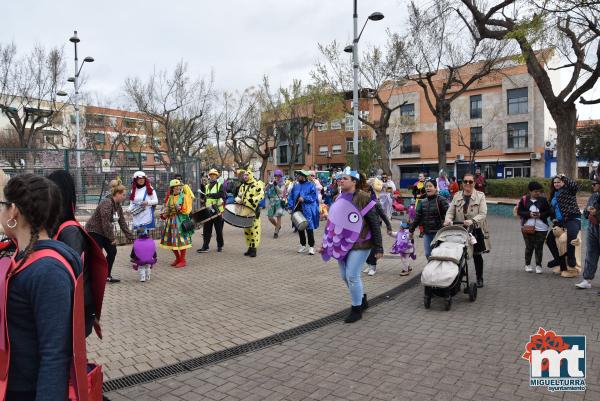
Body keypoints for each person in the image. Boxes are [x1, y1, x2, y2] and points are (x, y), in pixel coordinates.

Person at [1, 173, 82, 401]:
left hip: (27, 391)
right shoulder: (24, 256)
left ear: (14, 211)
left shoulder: (47, 270)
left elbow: (55, 354)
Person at [320, 167, 383, 323]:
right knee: (344, 276)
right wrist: (326, 244)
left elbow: (374, 223)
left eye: (345, 178)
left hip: (361, 243)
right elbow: (332, 224)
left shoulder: (363, 197)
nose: (341, 180)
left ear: (354, 182)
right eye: (340, 178)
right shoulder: (339, 198)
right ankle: (362, 299)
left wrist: (379, 246)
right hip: (342, 244)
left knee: (352, 276)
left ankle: (357, 309)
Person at [48, 170, 107, 338]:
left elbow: (73, 277)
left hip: (76, 308)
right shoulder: (61, 228)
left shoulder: (69, 231)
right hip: (76, 307)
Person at [444, 172, 490, 287]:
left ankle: (480, 278)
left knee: (476, 255)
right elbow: (450, 212)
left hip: (475, 229)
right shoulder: (457, 196)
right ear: (462, 183)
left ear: (474, 183)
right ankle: (460, 275)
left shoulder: (480, 196)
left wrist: (472, 221)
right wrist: (448, 220)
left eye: (470, 181)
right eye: (465, 181)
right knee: (458, 255)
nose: (468, 183)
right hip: (460, 230)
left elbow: (483, 213)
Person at [87, 178, 133, 283]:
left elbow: (122, 222)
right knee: (97, 254)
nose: (125, 197)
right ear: (117, 194)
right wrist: (112, 238)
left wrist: (131, 237)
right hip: (94, 231)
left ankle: (106, 275)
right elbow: (105, 222)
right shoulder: (106, 203)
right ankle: (93, 277)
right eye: (123, 194)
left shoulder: (118, 206)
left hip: (105, 232)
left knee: (112, 251)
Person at [545, 174, 581, 278]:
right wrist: (553, 219)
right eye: (555, 182)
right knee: (549, 240)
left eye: (558, 182)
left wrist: (564, 178)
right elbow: (552, 211)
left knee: (571, 237)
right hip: (560, 222)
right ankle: (558, 261)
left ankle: (571, 260)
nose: (556, 184)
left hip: (572, 219)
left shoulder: (569, 191)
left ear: (563, 183)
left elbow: (575, 186)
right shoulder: (553, 195)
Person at [517, 181, 551, 274]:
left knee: (539, 247)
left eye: (539, 191)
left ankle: (538, 265)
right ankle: (527, 264)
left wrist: (540, 215)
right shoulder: (524, 200)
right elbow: (519, 211)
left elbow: (549, 212)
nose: (538, 193)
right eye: (535, 191)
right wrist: (529, 214)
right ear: (530, 191)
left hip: (542, 227)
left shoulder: (543, 200)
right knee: (529, 247)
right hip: (527, 227)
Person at [409, 179, 449, 257]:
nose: (428, 188)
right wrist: (411, 230)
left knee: (437, 254)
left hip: (438, 233)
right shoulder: (423, 202)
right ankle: (431, 268)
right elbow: (417, 217)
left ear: (435, 188)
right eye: (426, 186)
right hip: (427, 233)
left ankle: (437, 269)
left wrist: (447, 223)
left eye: (430, 186)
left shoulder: (441, 200)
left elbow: (449, 214)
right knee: (428, 254)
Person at [363, 178, 393, 276]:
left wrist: (388, 226)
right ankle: (369, 264)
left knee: (373, 249)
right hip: (363, 231)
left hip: (374, 229)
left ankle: (373, 266)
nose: (364, 193)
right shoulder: (360, 204)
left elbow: (384, 216)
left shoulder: (375, 203)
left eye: (366, 191)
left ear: (369, 192)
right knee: (364, 249)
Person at [160, 179, 193, 267]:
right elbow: (167, 209)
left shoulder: (184, 197)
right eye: (175, 188)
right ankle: (178, 258)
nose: (177, 189)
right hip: (171, 221)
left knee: (182, 241)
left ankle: (183, 260)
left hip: (180, 221)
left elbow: (188, 209)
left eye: (179, 187)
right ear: (172, 189)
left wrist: (181, 208)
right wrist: (164, 214)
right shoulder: (170, 197)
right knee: (171, 241)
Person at [575, 178, 600, 289]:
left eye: (595, 184)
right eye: (592, 184)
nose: (593, 186)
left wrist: (597, 213)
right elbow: (585, 213)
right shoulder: (594, 196)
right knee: (590, 253)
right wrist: (589, 212)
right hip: (592, 228)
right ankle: (587, 280)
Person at [288, 170, 320, 255]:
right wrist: (290, 207)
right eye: (297, 175)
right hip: (297, 209)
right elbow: (291, 196)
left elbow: (314, 197)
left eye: (299, 176)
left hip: (307, 210)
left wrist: (304, 198)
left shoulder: (311, 185)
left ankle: (311, 247)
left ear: (303, 176)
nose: (297, 177)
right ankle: (302, 245)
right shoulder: (296, 185)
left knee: (309, 228)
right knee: (300, 227)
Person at [235, 170, 265, 257]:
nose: (245, 177)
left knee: (254, 230)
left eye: (247, 175)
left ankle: (254, 249)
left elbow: (262, 195)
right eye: (244, 175)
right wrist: (238, 199)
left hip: (253, 211)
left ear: (250, 175)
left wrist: (253, 200)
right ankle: (249, 247)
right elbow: (239, 195)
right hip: (244, 211)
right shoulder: (243, 186)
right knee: (247, 230)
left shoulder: (256, 184)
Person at [197, 169, 226, 252]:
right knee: (206, 230)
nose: (212, 176)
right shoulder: (206, 186)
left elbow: (221, 194)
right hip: (208, 210)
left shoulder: (220, 185)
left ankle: (220, 245)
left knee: (218, 230)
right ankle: (205, 246)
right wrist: (204, 200)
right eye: (211, 175)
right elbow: (206, 197)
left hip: (217, 210)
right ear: (209, 176)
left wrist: (211, 195)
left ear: (216, 176)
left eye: (214, 175)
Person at [265, 169, 286, 239]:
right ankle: (278, 226)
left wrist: (276, 185)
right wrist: (269, 184)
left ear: (281, 176)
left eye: (278, 176)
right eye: (276, 176)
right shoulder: (272, 182)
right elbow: (264, 189)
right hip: (271, 202)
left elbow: (281, 192)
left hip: (278, 202)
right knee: (270, 217)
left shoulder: (282, 183)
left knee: (278, 218)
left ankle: (276, 232)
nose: (277, 177)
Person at [412, 172, 427, 238]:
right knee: (419, 217)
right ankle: (421, 232)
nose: (420, 177)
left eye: (421, 176)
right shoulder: (416, 184)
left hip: (426, 201)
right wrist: (416, 196)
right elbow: (413, 192)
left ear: (424, 177)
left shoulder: (427, 184)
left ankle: (426, 231)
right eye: (419, 176)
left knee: (425, 217)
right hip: (418, 202)